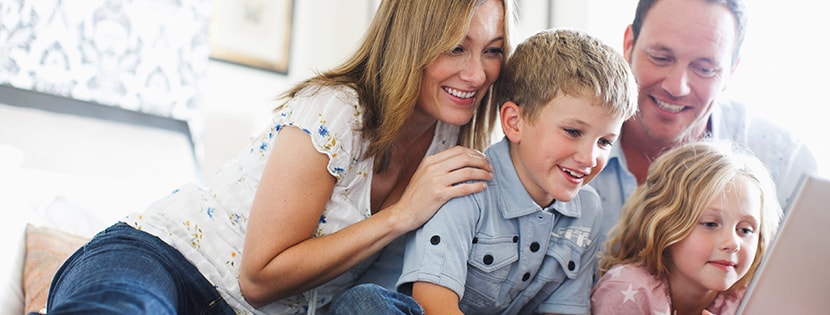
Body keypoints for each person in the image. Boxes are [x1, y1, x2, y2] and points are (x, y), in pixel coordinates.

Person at [43, 0, 512, 314]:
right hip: (170, 260)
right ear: (412, 42)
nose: (476, 73)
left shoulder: (452, 143)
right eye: (456, 47)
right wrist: (400, 216)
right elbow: (259, 277)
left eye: (491, 51)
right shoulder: (338, 108)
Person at [332, 28, 638, 315]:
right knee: (365, 301)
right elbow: (433, 305)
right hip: (408, 308)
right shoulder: (464, 186)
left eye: (605, 141)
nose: (588, 157)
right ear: (514, 122)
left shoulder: (588, 209)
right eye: (572, 131)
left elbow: (564, 308)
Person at [588, 0, 817, 235]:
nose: (677, 87)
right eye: (660, 57)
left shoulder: (784, 165)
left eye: (705, 69)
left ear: (731, 72)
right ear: (628, 45)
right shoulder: (561, 137)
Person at [590, 140, 783, 315]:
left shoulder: (747, 299)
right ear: (665, 224)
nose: (733, 243)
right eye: (710, 224)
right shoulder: (628, 291)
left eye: (745, 230)